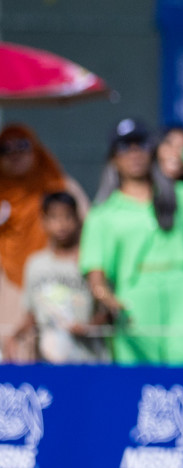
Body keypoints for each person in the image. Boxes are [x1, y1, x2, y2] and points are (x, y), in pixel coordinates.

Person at [81, 119, 183, 365]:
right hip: (134, 301)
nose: (134, 153)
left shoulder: (181, 196)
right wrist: (109, 300)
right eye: (124, 147)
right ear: (112, 159)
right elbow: (95, 274)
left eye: (141, 145)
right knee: (137, 386)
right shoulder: (103, 214)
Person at [0, 125, 87, 349]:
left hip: (56, 281)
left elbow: (86, 227)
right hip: (7, 284)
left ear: (36, 150)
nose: (15, 154)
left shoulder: (58, 185)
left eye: (23, 146)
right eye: (5, 149)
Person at [6, 193, 108, 363]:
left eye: (67, 217)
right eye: (54, 218)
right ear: (43, 222)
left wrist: (88, 328)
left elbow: (106, 311)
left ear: (78, 219)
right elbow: (31, 314)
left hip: (87, 360)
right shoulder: (35, 264)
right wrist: (14, 337)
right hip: (48, 362)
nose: (61, 224)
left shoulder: (90, 261)